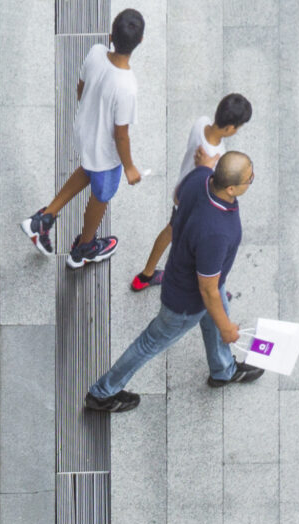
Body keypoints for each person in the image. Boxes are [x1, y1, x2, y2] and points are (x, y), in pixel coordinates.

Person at [85, 152, 261, 413]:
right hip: (187, 301)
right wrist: (227, 328)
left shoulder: (199, 177)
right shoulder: (217, 231)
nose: (252, 179)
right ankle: (102, 393)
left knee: (216, 311)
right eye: (250, 179)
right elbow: (207, 289)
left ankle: (223, 371)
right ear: (232, 187)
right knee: (150, 342)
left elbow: (179, 200)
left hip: (188, 274)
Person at [23, 8, 144, 268]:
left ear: (111, 35)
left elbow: (81, 88)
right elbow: (120, 134)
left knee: (88, 170)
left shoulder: (96, 52)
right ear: (139, 43)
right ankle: (84, 248)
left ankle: (43, 219)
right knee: (101, 196)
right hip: (106, 153)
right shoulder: (127, 86)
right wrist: (130, 167)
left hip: (85, 133)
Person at [132, 92, 252, 292]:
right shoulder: (218, 157)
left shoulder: (201, 123)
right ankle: (211, 287)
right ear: (230, 128)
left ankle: (146, 274)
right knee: (196, 245)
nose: (237, 131)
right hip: (194, 204)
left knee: (169, 231)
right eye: (239, 127)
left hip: (181, 193)